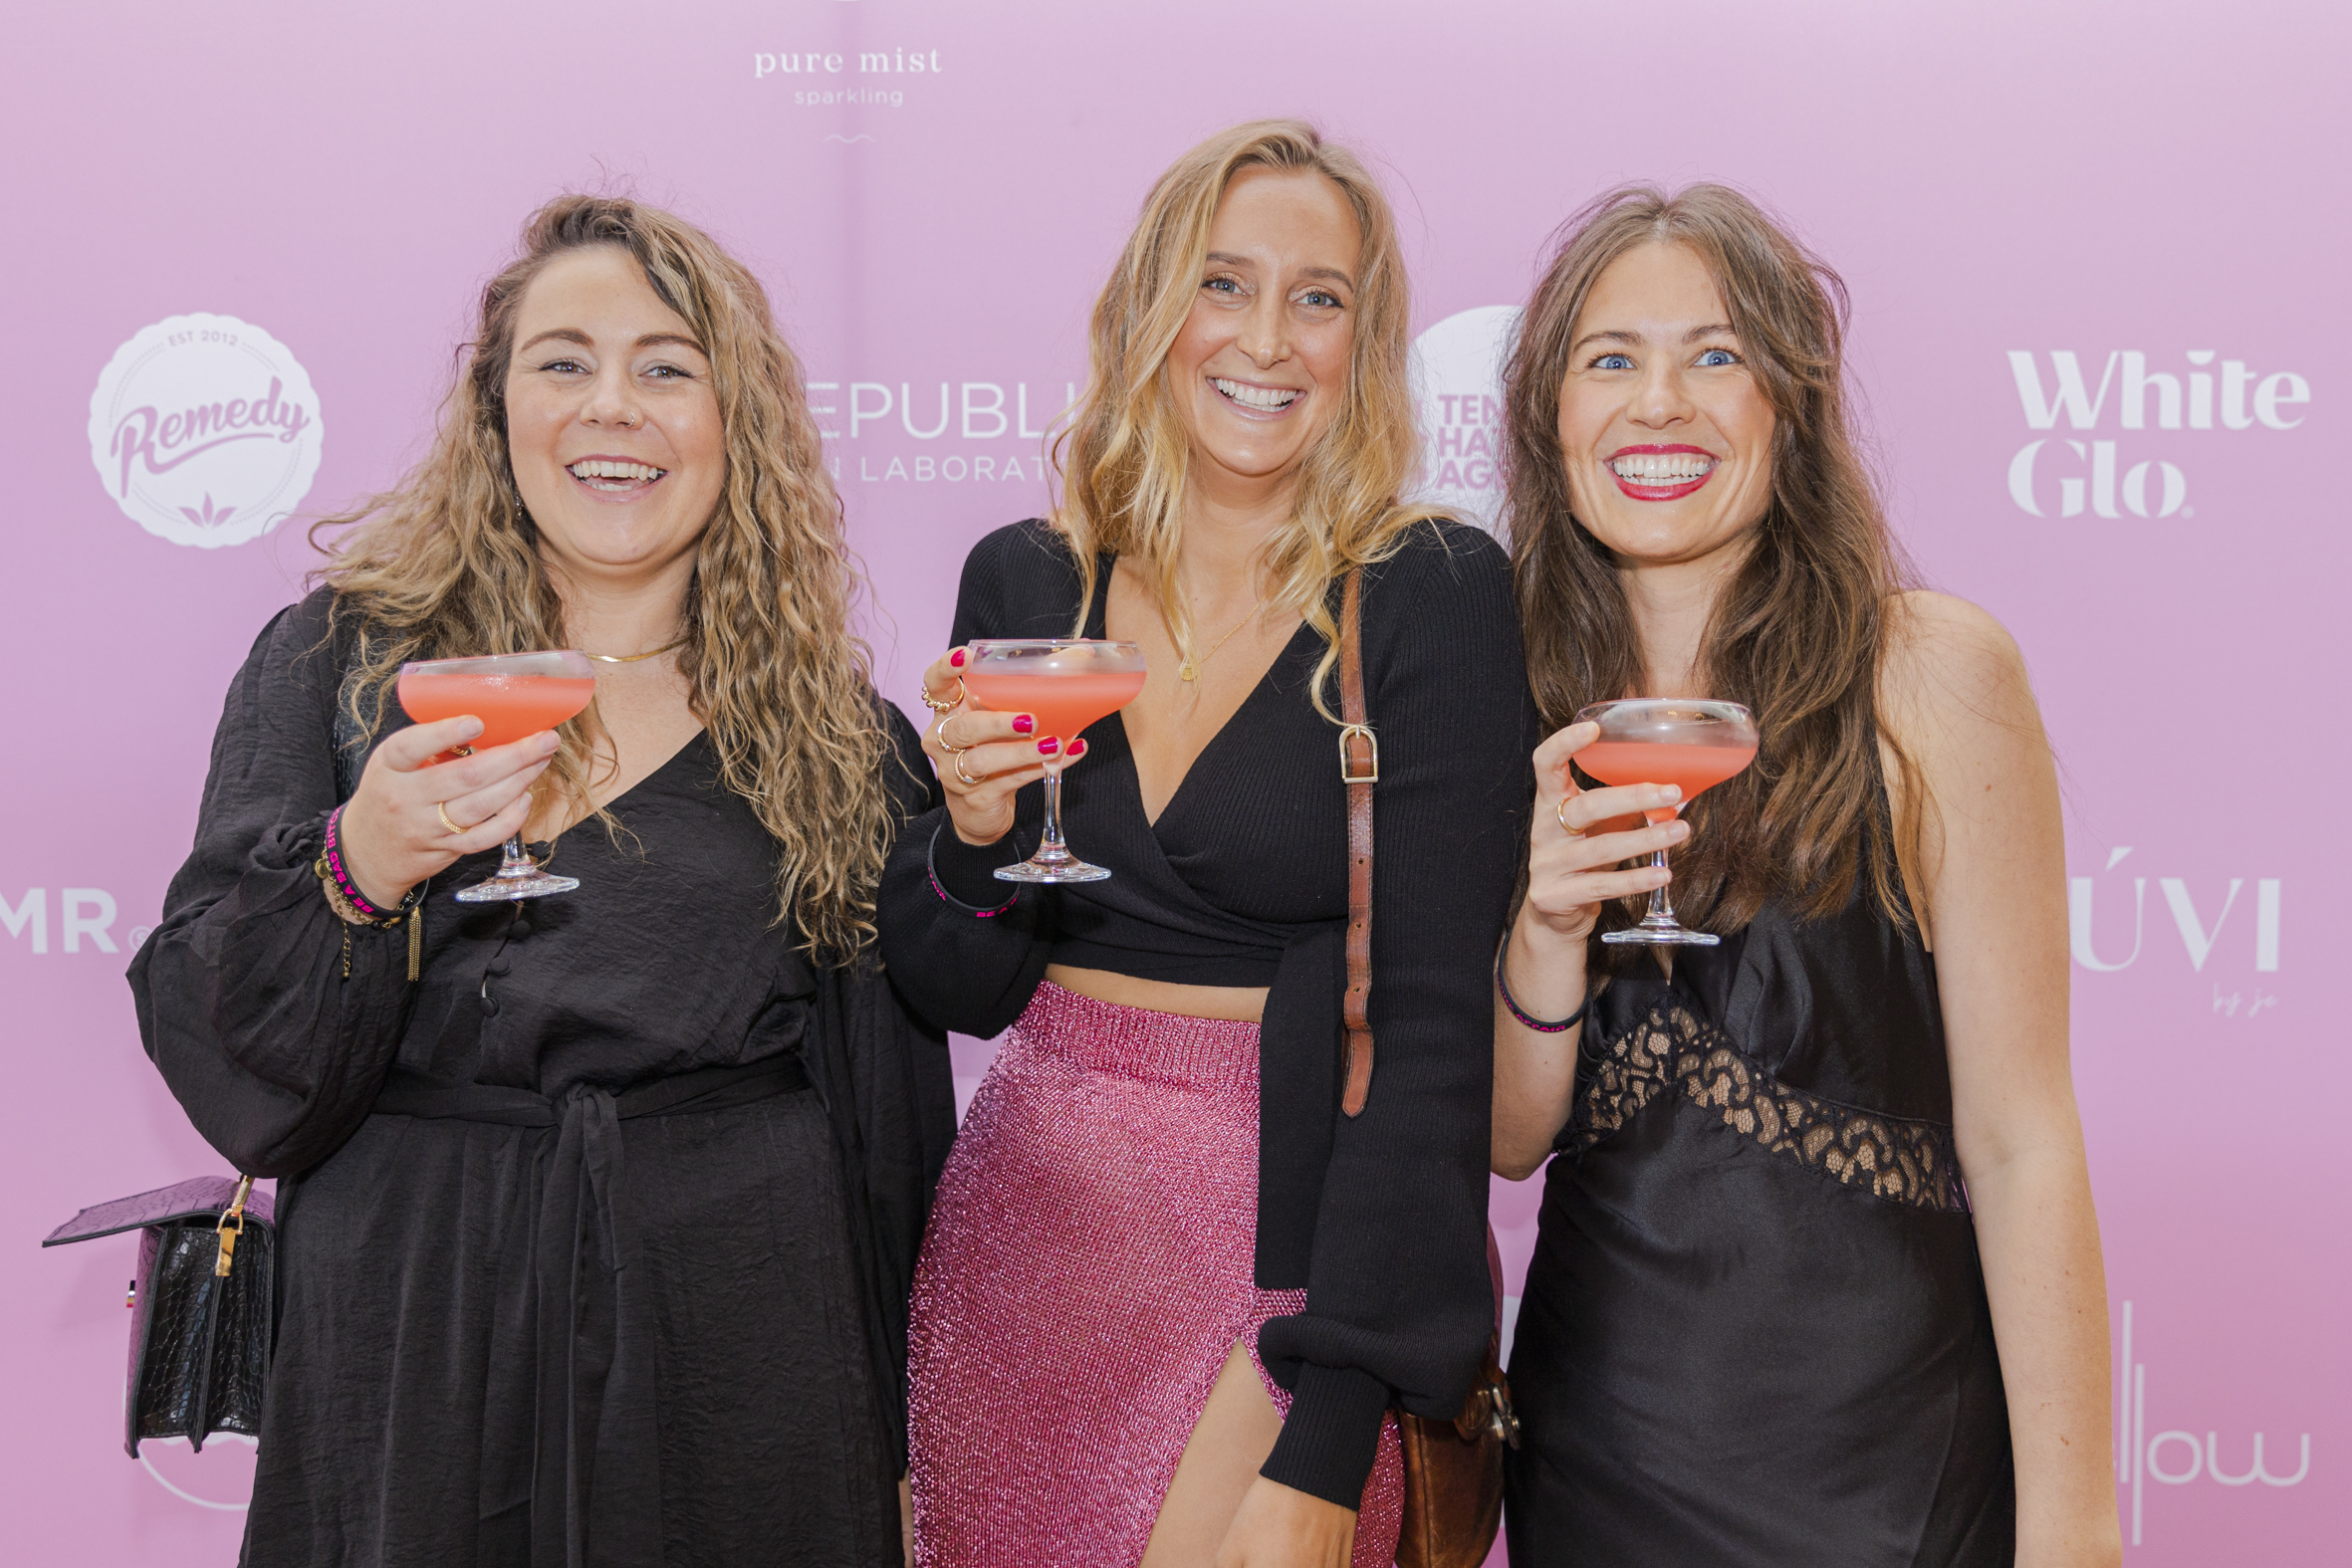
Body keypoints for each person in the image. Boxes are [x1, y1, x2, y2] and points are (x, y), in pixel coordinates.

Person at [130, 195, 953, 1568]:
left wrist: (905, 1448)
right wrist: (357, 866)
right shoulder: (342, 666)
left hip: (741, 1338)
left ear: (734, 422)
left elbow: (888, 1125)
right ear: (496, 408)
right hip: (410, 1324)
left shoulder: (840, 740)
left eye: (666, 367)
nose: (610, 405)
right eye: (563, 362)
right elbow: (222, 1043)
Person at [878, 121, 1531, 1568]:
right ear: (1151, 312)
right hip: (1021, 1242)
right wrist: (973, 839)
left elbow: (1429, 1041)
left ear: (1366, 345)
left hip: (1280, 1270)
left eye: (1319, 297)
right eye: (1222, 284)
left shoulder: (1429, 592)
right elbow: (954, 988)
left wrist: (1329, 1430)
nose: (1267, 337)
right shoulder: (1029, 580)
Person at [1490, 183, 2122, 1567]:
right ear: (1548, 414)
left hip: (1891, 1471)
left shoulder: (1927, 676)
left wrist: (2076, 1533)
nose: (1659, 403)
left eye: (1715, 355)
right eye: (1611, 359)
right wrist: (1544, 924)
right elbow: (1509, 1138)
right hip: (1600, 1459)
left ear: (1791, 404)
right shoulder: (1504, 699)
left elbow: (2022, 1140)